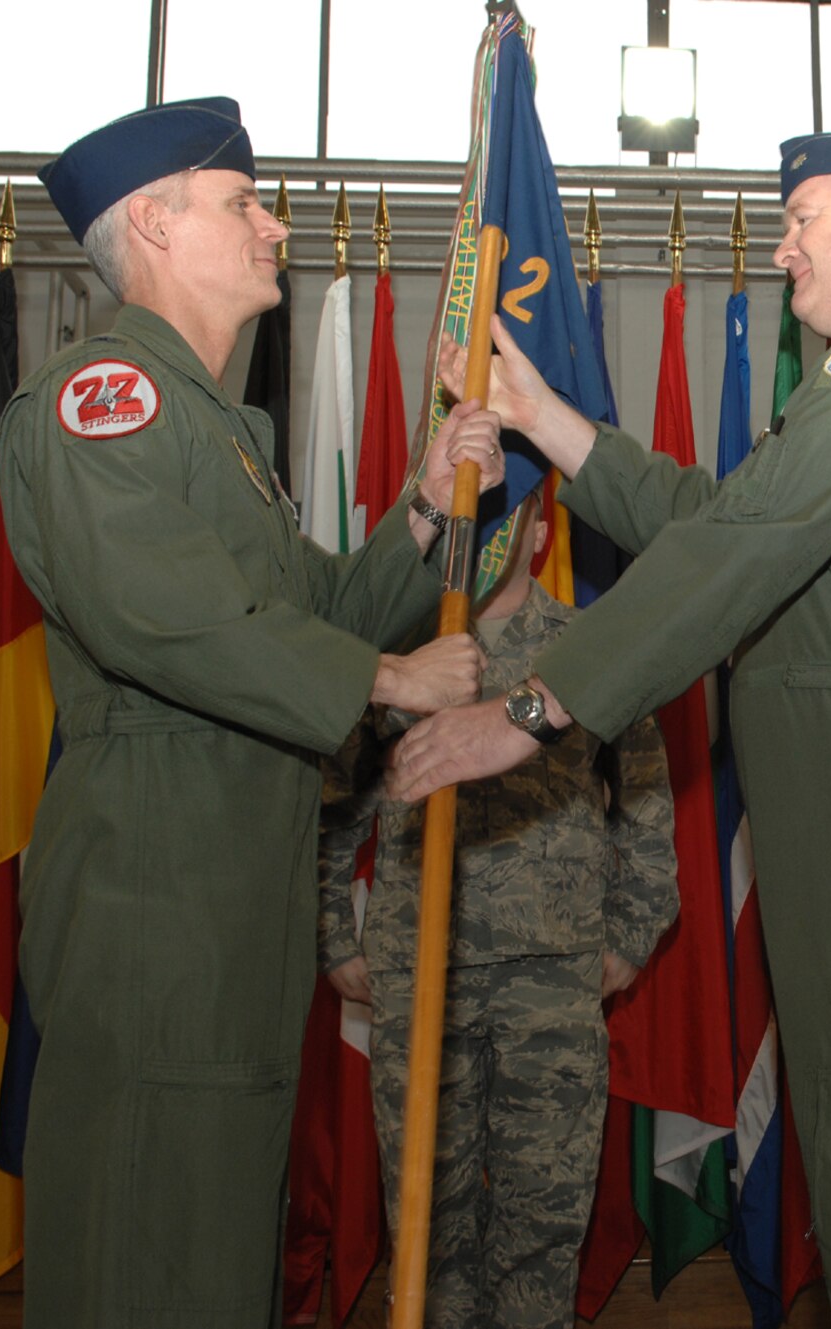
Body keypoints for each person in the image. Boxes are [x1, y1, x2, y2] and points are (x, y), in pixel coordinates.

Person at [389, 131, 831, 1328]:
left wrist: (533, 712)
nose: (782, 243)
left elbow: (735, 549)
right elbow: (719, 515)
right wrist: (543, 416)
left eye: (807, 216)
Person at [0, 96, 507, 1328]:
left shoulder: (217, 425)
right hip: (155, 892)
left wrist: (424, 512)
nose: (274, 225)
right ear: (155, 225)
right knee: (143, 1247)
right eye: (243, 204)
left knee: (213, 1242)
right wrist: (390, 684)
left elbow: (310, 610)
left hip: (231, 889)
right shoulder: (104, 401)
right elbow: (165, 619)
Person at [317, 489, 678, 1329]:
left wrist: (631, 929)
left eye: (509, 512)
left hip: (551, 976)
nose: (488, 530)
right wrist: (335, 930)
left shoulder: (590, 648)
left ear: (541, 533)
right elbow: (337, 794)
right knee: (427, 1223)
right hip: (421, 972)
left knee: (542, 1225)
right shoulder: (403, 651)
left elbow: (648, 794)